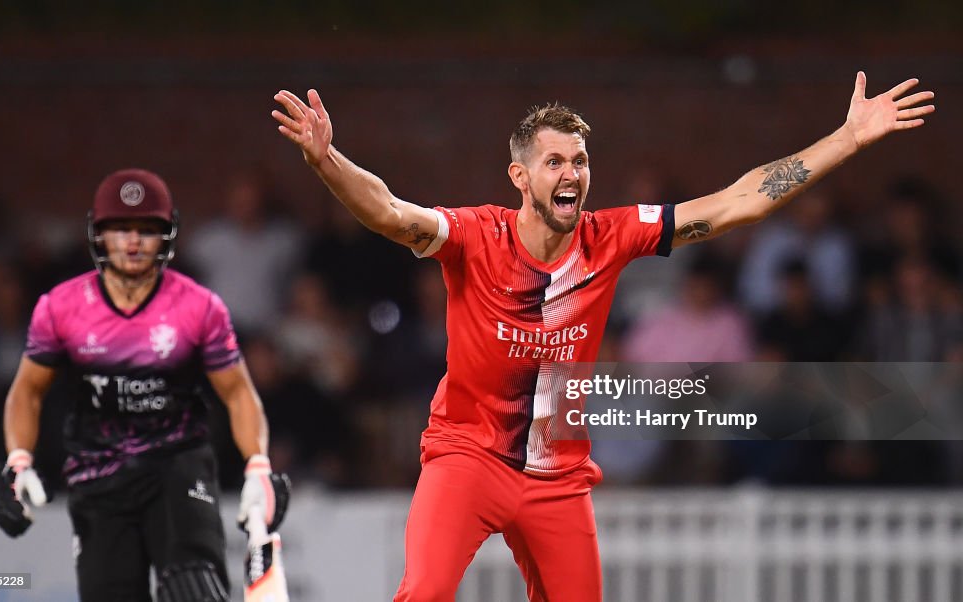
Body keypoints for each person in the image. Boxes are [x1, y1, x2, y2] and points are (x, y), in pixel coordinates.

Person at [271, 72, 933, 601]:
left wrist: (846, 139)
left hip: (556, 475)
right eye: (554, 161)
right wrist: (326, 160)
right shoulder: (476, 235)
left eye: (581, 161)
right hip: (467, 457)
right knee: (426, 591)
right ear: (520, 177)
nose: (571, 174)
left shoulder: (611, 236)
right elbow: (388, 212)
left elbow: (737, 203)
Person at [0, 168, 291, 602]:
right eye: (120, 228)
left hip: (178, 467)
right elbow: (27, 390)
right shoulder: (60, 308)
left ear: (167, 235)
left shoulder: (199, 307)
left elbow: (238, 393)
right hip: (98, 475)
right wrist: (19, 459)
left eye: (147, 230)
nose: (132, 241)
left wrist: (257, 466)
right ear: (98, 234)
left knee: (194, 589)